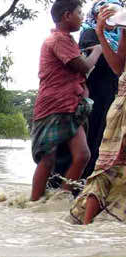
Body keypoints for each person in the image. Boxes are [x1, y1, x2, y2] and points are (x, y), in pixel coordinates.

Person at [29, 0, 103, 201]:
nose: (82, 17)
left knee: (83, 155)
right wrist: (98, 50)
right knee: (47, 159)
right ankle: (34, 202)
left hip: (70, 107)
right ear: (66, 15)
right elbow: (84, 66)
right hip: (53, 107)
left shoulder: (67, 40)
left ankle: (61, 198)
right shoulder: (58, 40)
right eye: (79, 13)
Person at [53, 0, 124, 186]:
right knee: (87, 146)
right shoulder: (90, 34)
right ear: (97, 15)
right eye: (106, 14)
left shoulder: (120, 35)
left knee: (100, 146)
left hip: (111, 100)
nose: (112, 19)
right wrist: (101, 39)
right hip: (90, 101)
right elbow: (94, 67)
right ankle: (71, 189)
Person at [71, 5, 126, 224]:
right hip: (122, 105)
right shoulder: (122, 30)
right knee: (106, 166)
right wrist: (101, 33)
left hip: (119, 103)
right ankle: (87, 230)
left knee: (106, 166)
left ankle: (88, 232)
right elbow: (118, 67)